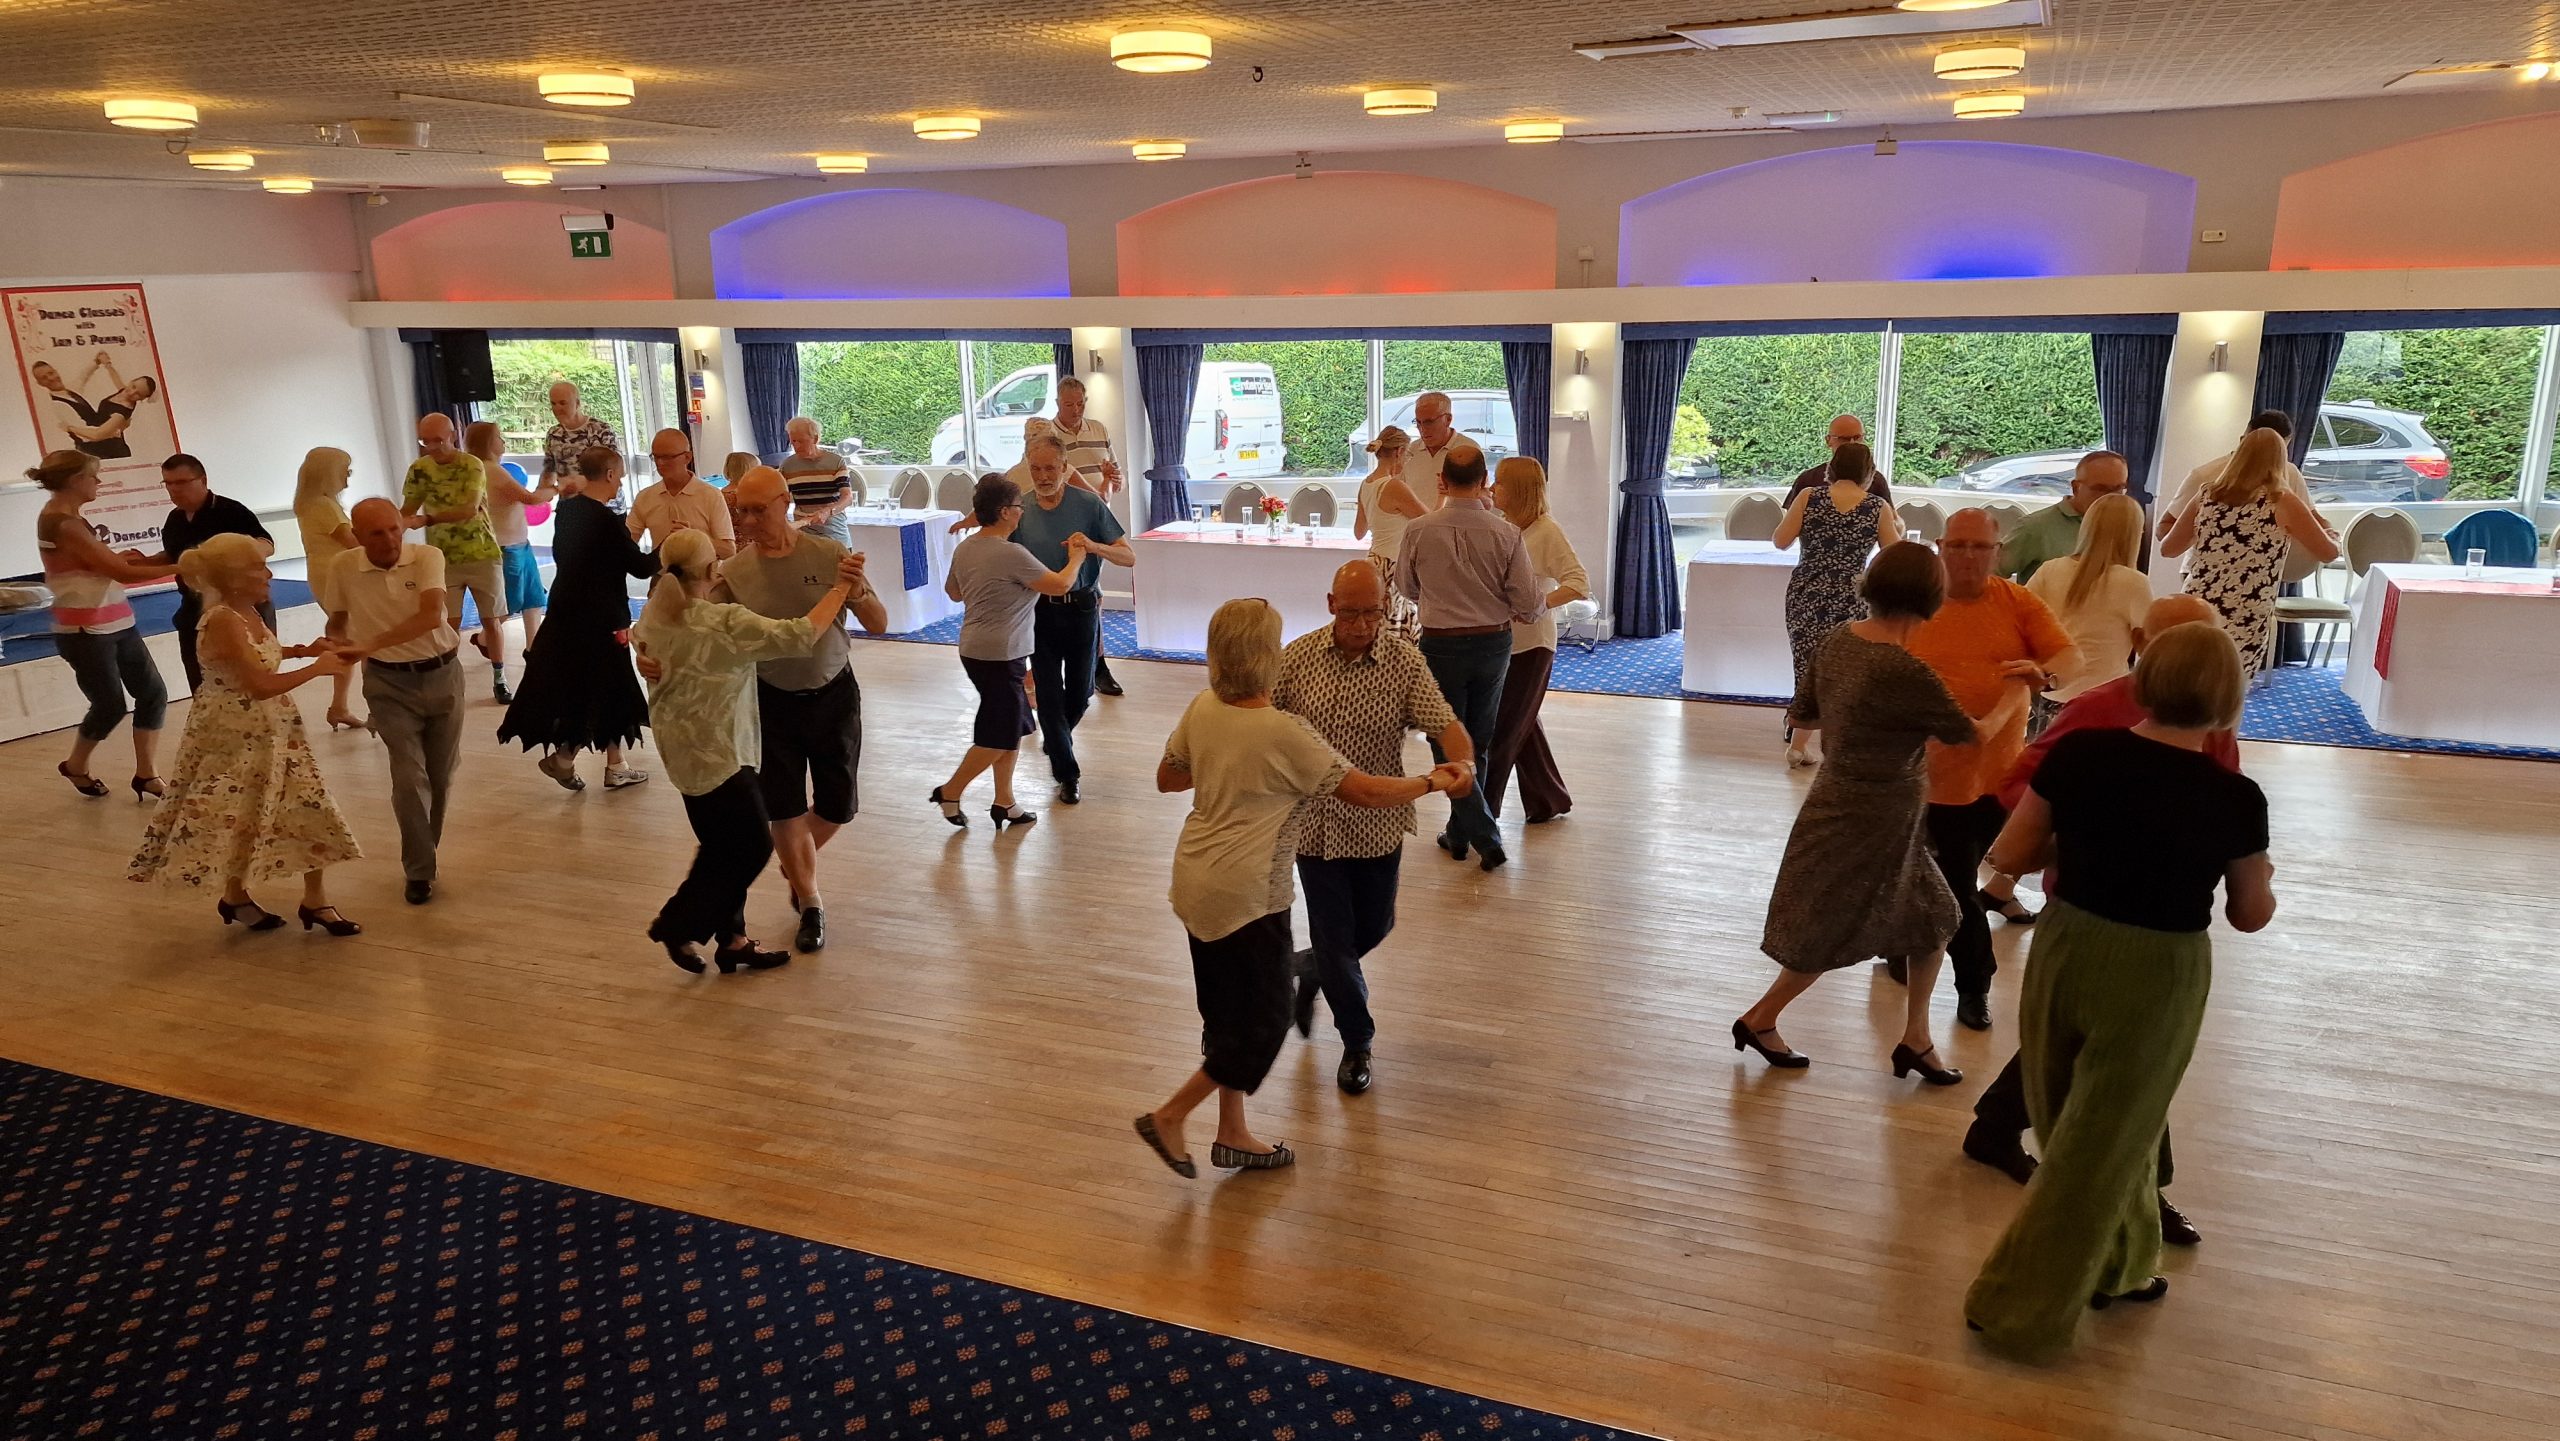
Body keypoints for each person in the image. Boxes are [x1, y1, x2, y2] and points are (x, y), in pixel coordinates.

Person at [1964, 623, 2275, 1363]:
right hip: (2160, 968)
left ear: (2144, 678)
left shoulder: (2079, 756)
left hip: (2069, 943)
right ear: (2227, 700)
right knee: (2102, 1140)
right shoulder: (2235, 797)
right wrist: (2260, 876)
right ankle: (2016, 1305)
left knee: (2085, 1124)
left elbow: (2009, 855)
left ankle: (2126, 1260)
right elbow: (2249, 913)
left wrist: (2088, 838)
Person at [1134, 598, 1472, 1179]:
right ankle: (1170, 1116)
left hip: (1194, 880)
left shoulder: (1203, 706)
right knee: (1265, 1023)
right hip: (1248, 894)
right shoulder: (1283, 732)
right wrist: (1433, 780)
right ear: (1266, 656)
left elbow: (1170, 778)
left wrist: (1225, 762)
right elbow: (1365, 792)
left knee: (1225, 1013)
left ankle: (1232, 1132)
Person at [1736, 542, 2028, 1083]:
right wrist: (2019, 689)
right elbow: (1974, 734)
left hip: (1845, 800)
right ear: (1931, 596)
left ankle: (1916, 1038)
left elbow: (1804, 715)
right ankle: (1760, 1018)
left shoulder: (1840, 639)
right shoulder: (1904, 669)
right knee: (1832, 927)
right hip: (1877, 815)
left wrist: (1865, 723)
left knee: (1934, 917)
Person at [1272, 560, 1467, 1095]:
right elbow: (1261, 718)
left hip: (1377, 823)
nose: (1361, 625)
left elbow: (1445, 723)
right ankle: (1357, 1042)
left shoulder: (1403, 662)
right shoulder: (1297, 658)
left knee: (1375, 927)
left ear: (1386, 608)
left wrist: (1465, 764)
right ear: (1331, 605)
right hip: (1313, 826)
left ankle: (1310, 967)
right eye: (1351, 613)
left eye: (1372, 614)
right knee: (1336, 939)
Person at [632, 529, 861, 976]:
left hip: (679, 749)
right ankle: (676, 925)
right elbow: (801, 635)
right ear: (712, 569)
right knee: (752, 846)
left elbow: (642, 642)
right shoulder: (724, 623)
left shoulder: (656, 613)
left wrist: (643, 657)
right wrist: (839, 589)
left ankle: (733, 941)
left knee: (720, 845)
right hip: (721, 752)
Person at [127, 534, 363, 935]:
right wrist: (317, 668)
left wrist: (302, 651)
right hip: (235, 735)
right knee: (239, 815)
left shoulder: (247, 612)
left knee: (307, 806)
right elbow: (259, 685)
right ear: (235, 579)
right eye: (259, 567)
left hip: (273, 730)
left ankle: (315, 900)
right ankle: (236, 896)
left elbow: (258, 656)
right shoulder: (222, 619)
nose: (269, 574)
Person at [693, 468, 887, 953]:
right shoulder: (735, 572)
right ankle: (811, 900)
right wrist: (651, 652)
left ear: (785, 503)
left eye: (759, 510)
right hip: (770, 701)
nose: (748, 520)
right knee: (785, 809)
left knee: (838, 807)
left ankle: (795, 860)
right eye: (742, 511)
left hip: (834, 695)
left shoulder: (828, 554)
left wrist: (857, 592)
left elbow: (879, 623)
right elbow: (694, 626)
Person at [1903, 508, 2076, 1032]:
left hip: (1993, 776)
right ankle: (1941, 971)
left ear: (1998, 552)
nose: (1967, 556)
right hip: (1922, 776)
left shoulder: (2016, 601)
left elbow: (2069, 658)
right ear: (1940, 547)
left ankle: (1951, 971)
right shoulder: (1916, 602)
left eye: (1979, 547)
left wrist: (2044, 673)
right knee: (1936, 882)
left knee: (1958, 880)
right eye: (1957, 545)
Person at [1395, 443, 1544, 872]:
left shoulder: (1418, 530)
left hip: (1440, 643)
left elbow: (1406, 587)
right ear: (1484, 481)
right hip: (1492, 644)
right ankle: (1480, 832)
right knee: (1477, 739)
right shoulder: (1506, 533)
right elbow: (1528, 600)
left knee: (1444, 737)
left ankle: (1466, 831)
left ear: (1442, 481)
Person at [931, 476, 1089, 828]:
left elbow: (954, 593)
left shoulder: (967, 548)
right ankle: (950, 791)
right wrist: (1077, 556)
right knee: (996, 737)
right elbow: (1060, 584)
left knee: (1010, 727)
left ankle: (1005, 801)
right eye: (1019, 507)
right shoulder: (1011, 553)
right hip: (1000, 655)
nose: (1022, 512)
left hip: (976, 648)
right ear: (1004, 512)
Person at [328, 498, 463, 906]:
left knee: (439, 777)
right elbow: (337, 621)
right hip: (387, 684)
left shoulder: (427, 556)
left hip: (443, 675)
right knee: (408, 777)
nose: (389, 539)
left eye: (394, 529)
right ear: (357, 536)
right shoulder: (343, 566)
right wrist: (334, 644)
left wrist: (367, 643)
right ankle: (419, 870)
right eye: (376, 533)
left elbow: (431, 615)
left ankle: (425, 853)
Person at [497, 446, 653, 792]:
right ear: (609, 475)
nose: (620, 483)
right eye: (619, 476)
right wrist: (671, 543)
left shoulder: (567, 512)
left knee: (606, 687)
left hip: (566, 615)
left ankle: (613, 764)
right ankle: (568, 758)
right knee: (602, 688)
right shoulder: (606, 522)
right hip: (602, 622)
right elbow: (642, 568)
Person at [29, 450, 175, 800]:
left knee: (152, 693)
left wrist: (116, 560)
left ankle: (147, 774)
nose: (98, 481)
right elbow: (120, 573)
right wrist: (186, 567)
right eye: (93, 475)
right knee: (110, 705)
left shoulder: (70, 518)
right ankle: (75, 765)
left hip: (115, 620)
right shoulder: (63, 523)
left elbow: (95, 565)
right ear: (75, 480)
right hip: (84, 629)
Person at [1011, 431, 1132, 805]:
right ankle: (1067, 774)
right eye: (1036, 468)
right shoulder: (1020, 511)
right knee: (1048, 696)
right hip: (1039, 612)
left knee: (1080, 693)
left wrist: (1092, 546)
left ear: (1064, 467)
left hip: (1081, 609)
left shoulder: (1089, 505)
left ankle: (1057, 735)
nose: (1043, 476)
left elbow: (1128, 556)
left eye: (1050, 468)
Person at [2164, 427, 2340, 669]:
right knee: (2231, 679)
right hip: (2246, 607)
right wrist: (2333, 537)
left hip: (2198, 600)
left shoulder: (2207, 494)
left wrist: (2208, 535)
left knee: (2190, 672)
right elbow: (2327, 553)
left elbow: (2168, 549)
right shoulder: (2283, 501)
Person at [1774, 440, 1900, 768]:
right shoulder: (1877, 507)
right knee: (1847, 666)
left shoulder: (1808, 496)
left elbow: (1780, 541)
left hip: (1807, 590)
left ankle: (1798, 740)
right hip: (1851, 595)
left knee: (1807, 665)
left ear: (1831, 468)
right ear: (1869, 473)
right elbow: (1893, 554)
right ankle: (1840, 741)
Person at [1484, 457, 1590, 824]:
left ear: (1517, 490)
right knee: (1522, 725)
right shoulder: (1502, 525)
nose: (1492, 488)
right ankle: (1548, 800)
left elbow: (1578, 582)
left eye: (1499, 482)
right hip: (1503, 642)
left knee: (1502, 733)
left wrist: (1537, 604)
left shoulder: (1547, 531)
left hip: (1533, 646)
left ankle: (1482, 817)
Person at [144, 453, 275, 692]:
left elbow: (266, 544)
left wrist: (231, 556)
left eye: (181, 482)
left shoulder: (230, 510)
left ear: (203, 480)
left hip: (240, 603)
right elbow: (175, 555)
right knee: (200, 679)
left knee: (254, 673)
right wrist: (145, 562)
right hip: (193, 605)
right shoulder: (174, 518)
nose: (174, 490)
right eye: (168, 483)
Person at [402, 414, 510, 702]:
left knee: (491, 620)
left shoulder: (471, 465)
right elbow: (407, 510)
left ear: (454, 435)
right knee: (449, 623)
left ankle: (500, 677)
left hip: (481, 553)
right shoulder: (419, 469)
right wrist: (391, 530)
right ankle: (449, 679)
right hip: (442, 558)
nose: (433, 447)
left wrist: (427, 519)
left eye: (439, 440)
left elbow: (469, 509)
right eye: (426, 441)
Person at [2023, 492, 2152, 706]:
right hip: (2103, 701)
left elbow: (2020, 623)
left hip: (2050, 695)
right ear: (2134, 534)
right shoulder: (2133, 582)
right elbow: (2151, 647)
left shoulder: (2050, 570)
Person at [1051, 376, 1129, 697]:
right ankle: (1090, 667)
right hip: (1067, 521)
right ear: (1058, 403)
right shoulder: (1049, 435)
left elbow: (1115, 479)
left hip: (1098, 520)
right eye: (1069, 404)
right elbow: (1060, 481)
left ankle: (1094, 666)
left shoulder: (1098, 429)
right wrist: (1102, 490)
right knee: (1077, 593)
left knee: (1092, 595)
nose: (1076, 410)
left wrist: (1113, 480)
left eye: (1080, 403)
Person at [470, 419, 558, 675]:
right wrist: (556, 488)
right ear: (489, 443)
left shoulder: (490, 469)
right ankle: (485, 638)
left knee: (533, 598)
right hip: (506, 546)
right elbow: (530, 498)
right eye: (499, 437)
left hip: (520, 541)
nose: (503, 441)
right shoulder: (491, 470)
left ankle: (534, 650)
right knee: (511, 601)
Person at [294, 446, 366, 732]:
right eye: (344, 472)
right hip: (336, 577)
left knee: (346, 642)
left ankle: (340, 706)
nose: (347, 479)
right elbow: (354, 544)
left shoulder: (311, 504)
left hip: (326, 574)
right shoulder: (323, 506)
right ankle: (366, 704)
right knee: (361, 642)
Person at [2158, 409, 2312, 540]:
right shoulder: (2203, 477)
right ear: (2242, 441)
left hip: (2272, 566)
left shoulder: (2291, 474)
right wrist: (2211, 538)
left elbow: (2316, 523)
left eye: (2277, 452)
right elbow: (2164, 529)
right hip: (2207, 563)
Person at [2000, 451, 2131, 585]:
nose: (2110, 497)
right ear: (2075, 487)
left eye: (2118, 489)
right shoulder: (2035, 527)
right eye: (2100, 489)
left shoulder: (2125, 526)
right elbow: (1992, 574)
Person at [1353, 426, 1427, 640]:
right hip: (1394, 567)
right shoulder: (1394, 486)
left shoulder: (1366, 484)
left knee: (1376, 630)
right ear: (1399, 452)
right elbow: (1429, 522)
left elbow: (1359, 532)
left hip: (1373, 562)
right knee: (1396, 634)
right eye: (1408, 454)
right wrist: (1443, 496)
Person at [628, 429, 737, 559]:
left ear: (687, 457)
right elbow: (626, 542)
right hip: (662, 570)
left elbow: (728, 550)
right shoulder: (645, 497)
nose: (660, 463)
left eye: (667, 457)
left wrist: (694, 538)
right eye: (656, 457)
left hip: (703, 571)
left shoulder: (710, 495)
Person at [35, 355, 158, 460]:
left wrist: (69, 428)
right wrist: (103, 363)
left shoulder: (120, 413)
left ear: (142, 399)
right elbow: (85, 377)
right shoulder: (59, 405)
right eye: (44, 377)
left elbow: (96, 435)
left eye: (138, 394)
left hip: (111, 453)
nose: (131, 392)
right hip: (92, 453)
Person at [778, 418, 854, 546]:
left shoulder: (836, 462)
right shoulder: (787, 466)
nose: (796, 446)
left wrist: (828, 511)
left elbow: (847, 497)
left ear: (815, 438)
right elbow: (781, 500)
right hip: (804, 535)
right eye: (793, 441)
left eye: (801, 441)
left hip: (835, 532)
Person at [541, 380, 618, 501]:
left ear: (577, 403)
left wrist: (577, 484)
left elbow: (615, 471)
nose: (557, 408)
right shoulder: (553, 434)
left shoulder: (601, 430)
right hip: (569, 505)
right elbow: (549, 471)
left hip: (604, 505)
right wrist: (541, 493)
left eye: (562, 403)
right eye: (553, 403)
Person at [1789, 414, 1892, 503]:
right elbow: (1791, 517)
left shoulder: (1877, 480)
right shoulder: (1807, 480)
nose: (1852, 443)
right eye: (1844, 439)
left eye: (1857, 437)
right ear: (1828, 440)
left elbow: (1892, 518)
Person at [1398, 392, 1472, 507]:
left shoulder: (1469, 450)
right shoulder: (1410, 451)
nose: (1422, 429)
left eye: (1429, 422)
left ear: (1448, 419)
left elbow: (1485, 499)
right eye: (1418, 422)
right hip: (1416, 519)